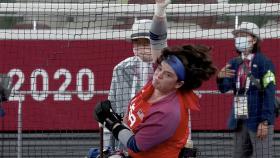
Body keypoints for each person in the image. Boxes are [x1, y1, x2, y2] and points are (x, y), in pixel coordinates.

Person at [94, 0, 217, 157]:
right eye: (159, 68)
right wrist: (159, 12)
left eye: (167, 74)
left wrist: (111, 122)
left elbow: (135, 144)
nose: (158, 74)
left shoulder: (167, 112)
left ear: (179, 84)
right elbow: (158, 39)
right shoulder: (159, 82)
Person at [216, 22, 276, 158]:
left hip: (259, 120)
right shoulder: (234, 62)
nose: (238, 39)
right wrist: (219, 77)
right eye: (237, 36)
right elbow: (224, 88)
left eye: (243, 35)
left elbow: (269, 93)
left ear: (254, 40)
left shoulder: (264, 62)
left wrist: (265, 121)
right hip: (240, 119)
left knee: (263, 155)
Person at [103, 19, 154, 150]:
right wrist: (107, 148)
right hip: (125, 141)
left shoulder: (166, 70)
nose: (141, 46)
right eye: (137, 42)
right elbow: (111, 110)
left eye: (146, 42)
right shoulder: (121, 68)